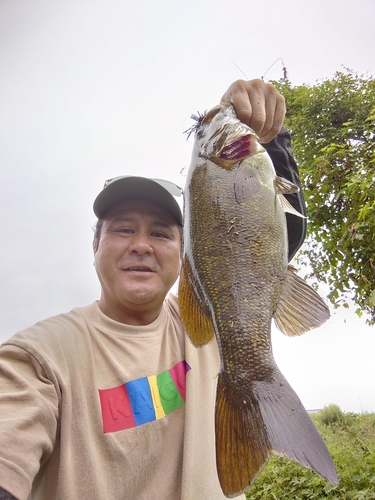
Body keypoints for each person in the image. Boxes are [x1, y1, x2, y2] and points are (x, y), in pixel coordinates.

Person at [0, 79, 306, 500]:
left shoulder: (207, 319)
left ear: (187, 254)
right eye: (123, 229)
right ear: (95, 245)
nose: (141, 245)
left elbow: (269, 241)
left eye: (161, 233)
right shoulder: (40, 357)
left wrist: (272, 140)